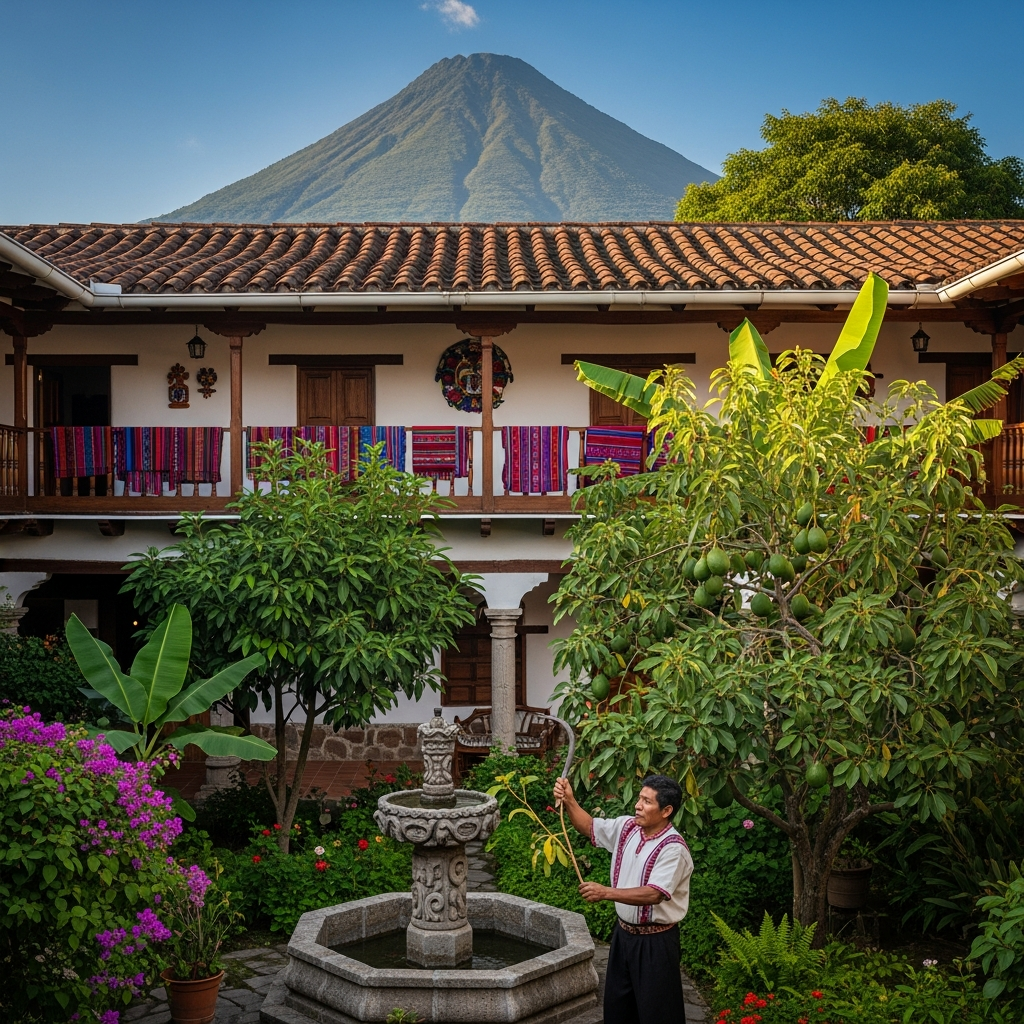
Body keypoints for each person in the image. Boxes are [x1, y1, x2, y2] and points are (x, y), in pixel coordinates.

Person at [553, 773, 693, 1024]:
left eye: (647, 801)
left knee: (658, 1014)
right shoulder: (628, 827)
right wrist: (570, 800)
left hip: (656, 943)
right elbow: (588, 827)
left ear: (666, 810)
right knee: (619, 1009)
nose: (638, 805)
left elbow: (654, 893)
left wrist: (606, 892)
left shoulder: (674, 849)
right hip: (624, 936)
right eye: (639, 798)